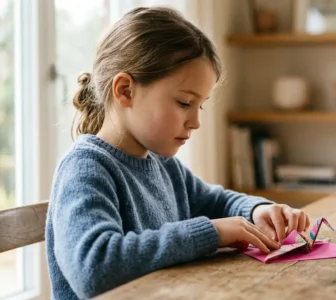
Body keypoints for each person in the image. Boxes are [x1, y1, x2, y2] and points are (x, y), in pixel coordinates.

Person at [45, 7, 310, 300]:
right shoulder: (86, 168)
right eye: (184, 103)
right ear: (125, 91)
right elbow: (94, 270)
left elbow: (217, 201)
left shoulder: (163, 164)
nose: (196, 122)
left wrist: (257, 211)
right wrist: (211, 233)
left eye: (200, 105)